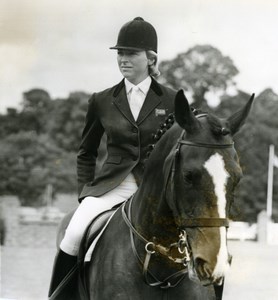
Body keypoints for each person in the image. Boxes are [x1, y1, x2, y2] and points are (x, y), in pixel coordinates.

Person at [48, 17, 176, 299]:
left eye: (131, 53)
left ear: (150, 58)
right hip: (112, 186)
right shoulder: (102, 100)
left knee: (205, 242)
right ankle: (58, 295)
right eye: (120, 53)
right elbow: (86, 151)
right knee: (73, 234)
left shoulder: (172, 99)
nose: (123, 59)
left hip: (157, 191)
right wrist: (85, 193)